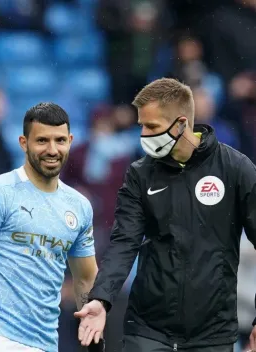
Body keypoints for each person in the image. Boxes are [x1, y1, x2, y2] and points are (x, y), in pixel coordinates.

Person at [75, 78, 256, 351]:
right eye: (141, 126)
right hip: (147, 331)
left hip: (213, 334)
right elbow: (124, 243)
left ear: (181, 124)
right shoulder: (140, 174)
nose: (144, 135)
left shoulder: (235, 169)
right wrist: (101, 299)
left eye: (152, 127)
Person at [0, 102, 101, 352]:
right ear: (24, 143)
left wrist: (94, 336)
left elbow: (85, 277)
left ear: (71, 140)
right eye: (42, 140)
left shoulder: (79, 206)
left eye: (60, 140)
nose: (52, 150)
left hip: (47, 343)